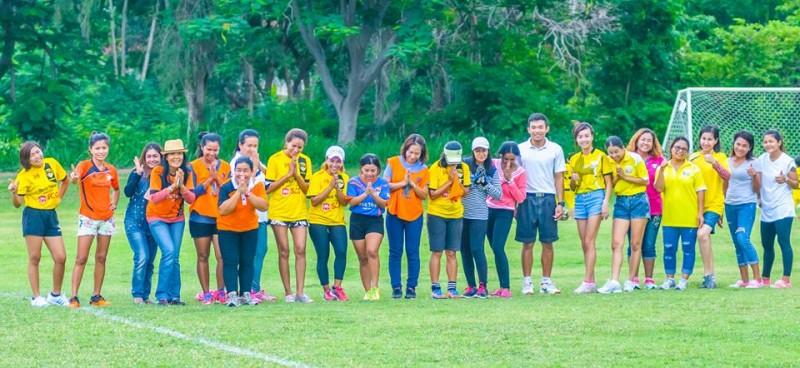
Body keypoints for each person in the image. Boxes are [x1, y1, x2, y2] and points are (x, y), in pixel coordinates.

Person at [9, 141, 70, 307]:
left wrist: (58, 198)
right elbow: (17, 203)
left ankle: (56, 295)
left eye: (37, 152)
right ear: (26, 160)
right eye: (32, 155)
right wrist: (14, 193)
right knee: (35, 257)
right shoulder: (23, 175)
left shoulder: (52, 163)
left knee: (61, 257)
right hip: (33, 216)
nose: (37, 156)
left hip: (51, 216)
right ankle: (36, 297)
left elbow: (65, 180)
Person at [68, 132, 120, 307]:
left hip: (106, 219)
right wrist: (73, 177)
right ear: (90, 149)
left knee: (101, 257)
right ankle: (74, 297)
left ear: (108, 149)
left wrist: (114, 203)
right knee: (81, 258)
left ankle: (96, 296)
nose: (101, 151)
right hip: (88, 218)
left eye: (104, 148)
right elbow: (74, 178)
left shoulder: (111, 169)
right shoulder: (84, 166)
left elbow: (116, 189)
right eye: (97, 148)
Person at [517, 113, 566, 295]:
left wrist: (560, 203)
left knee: (548, 242)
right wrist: (515, 202)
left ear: (547, 128)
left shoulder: (555, 149)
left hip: (548, 198)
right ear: (528, 129)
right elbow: (515, 176)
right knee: (527, 243)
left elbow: (559, 177)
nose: (537, 130)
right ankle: (527, 282)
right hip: (526, 198)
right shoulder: (520, 149)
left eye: (540, 127)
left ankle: (546, 282)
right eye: (534, 127)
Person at [265, 128, 313, 303]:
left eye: (300, 147)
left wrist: (296, 175)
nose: (296, 150)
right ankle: (288, 292)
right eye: (293, 146)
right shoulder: (275, 159)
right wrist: (287, 176)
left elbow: (308, 189)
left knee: (300, 249)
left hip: (299, 212)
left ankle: (301, 292)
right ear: (286, 143)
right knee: (284, 251)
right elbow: (268, 188)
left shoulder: (305, 161)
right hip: (279, 211)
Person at [147, 139, 196, 306]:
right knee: (168, 251)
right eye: (173, 154)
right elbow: (154, 198)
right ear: (166, 157)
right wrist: (171, 187)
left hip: (177, 219)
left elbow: (191, 199)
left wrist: (181, 186)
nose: (177, 157)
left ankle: (175, 296)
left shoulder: (187, 171)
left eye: (179, 153)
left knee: (174, 256)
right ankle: (162, 295)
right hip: (157, 217)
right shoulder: (158, 172)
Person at [654, 137, 706, 291]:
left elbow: (700, 191)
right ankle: (669, 279)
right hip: (670, 217)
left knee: (688, 248)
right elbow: (659, 188)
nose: (680, 151)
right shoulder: (663, 167)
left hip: (689, 217)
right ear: (671, 148)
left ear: (687, 152)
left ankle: (684, 279)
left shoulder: (694, 169)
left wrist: (700, 213)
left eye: (684, 149)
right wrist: (662, 170)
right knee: (669, 248)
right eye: (677, 147)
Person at [599, 136, 649, 293]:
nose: (614, 155)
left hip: (638, 201)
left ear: (623, 148)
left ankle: (630, 280)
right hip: (621, 202)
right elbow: (610, 185)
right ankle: (614, 280)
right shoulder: (607, 161)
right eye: (611, 152)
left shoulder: (635, 159)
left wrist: (625, 176)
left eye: (616, 151)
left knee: (635, 244)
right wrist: (616, 177)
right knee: (616, 243)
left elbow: (645, 180)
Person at [231, 129, 276, 303]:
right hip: (247, 215)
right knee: (251, 252)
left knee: (260, 250)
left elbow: (268, 180)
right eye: (249, 145)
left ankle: (254, 287)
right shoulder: (237, 164)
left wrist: (259, 165)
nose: (252, 149)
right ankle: (249, 289)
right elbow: (243, 186)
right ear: (240, 144)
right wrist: (256, 166)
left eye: (255, 145)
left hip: (261, 214)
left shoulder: (254, 160)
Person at [217, 156, 269, 306]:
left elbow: (263, 206)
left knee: (247, 261)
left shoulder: (257, 186)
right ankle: (232, 294)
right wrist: (239, 192)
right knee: (230, 260)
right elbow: (223, 209)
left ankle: (246, 293)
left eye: (246, 170)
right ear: (234, 171)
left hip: (250, 228)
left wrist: (247, 192)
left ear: (252, 171)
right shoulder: (227, 186)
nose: (242, 174)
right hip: (228, 229)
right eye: (239, 170)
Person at [568, 122, 613, 294]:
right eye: (580, 136)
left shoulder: (601, 157)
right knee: (583, 243)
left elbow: (609, 183)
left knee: (589, 240)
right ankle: (591, 281)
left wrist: (605, 202)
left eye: (587, 136)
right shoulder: (573, 159)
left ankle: (586, 281)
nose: (584, 139)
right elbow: (573, 187)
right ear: (576, 140)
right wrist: (573, 179)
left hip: (596, 197)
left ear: (592, 137)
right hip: (580, 199)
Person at [384, 134, 430, 299]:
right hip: (394, 213)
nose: (412, 156)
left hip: (414, 215)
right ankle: (396, 287)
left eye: (417, 153)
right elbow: (384, 185)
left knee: (412, 252)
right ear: (405, 149)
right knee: (395, 252)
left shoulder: (424, 170)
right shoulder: (394, 162)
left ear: (421, 153)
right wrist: (402, 184)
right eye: (410, 152)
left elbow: (424, 194)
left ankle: (411, 287)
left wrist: (412, 184)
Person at [189, 132, 230, 304]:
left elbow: (229, 191)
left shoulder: (226, 166)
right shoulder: (192, 166)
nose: (212, 153)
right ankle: (206, 292)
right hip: (200, 216)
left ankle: (221, 291)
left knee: (222, 256)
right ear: (201, 148)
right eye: (208, 149)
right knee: (203, 255)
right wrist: (209, 179)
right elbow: (192, 193)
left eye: (215, 150)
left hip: (220, 216)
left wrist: (217, 179)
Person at [754, 129, 797, 288]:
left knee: (783, 242)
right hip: (767, 209)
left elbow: (796, 184)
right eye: (765, 141)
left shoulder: (788, 161)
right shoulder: (761, 159)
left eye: (771, 141)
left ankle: (786, 279)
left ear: (779, 142)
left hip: (783, 208)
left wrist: (785, 179)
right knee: (766, 244)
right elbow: (757, 183)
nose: (768, 144)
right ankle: (765, 278)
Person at [689, 125, 730, 288]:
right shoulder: (693, 157)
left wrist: (714, 163)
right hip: (696, 205)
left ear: (716, 141)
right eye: (704, 138)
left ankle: (708, 276)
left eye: (710, 139)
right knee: (704, 238)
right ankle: (710, 277)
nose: (706, 142)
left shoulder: (720, 157)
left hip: (714, 204)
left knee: (702, 235)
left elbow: (727, 176)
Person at [428, 141, 471, 299]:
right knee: (437, 251)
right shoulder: (435, 168)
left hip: (456, 214)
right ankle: (435, 288)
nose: (454, 163)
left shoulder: (464, 168)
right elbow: (432, 194)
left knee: (452, 252)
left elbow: (465, 192)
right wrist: (449, 182)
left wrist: (456, 181)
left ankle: (452, 288)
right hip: (437, 214)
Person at [307, 146, 350, 301]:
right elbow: (314, 201)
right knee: (323, 254)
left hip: (337, 221)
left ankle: (337, 287)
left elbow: (343, 202)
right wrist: (329, 187)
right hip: (318, 221)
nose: (335, 164)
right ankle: (326, 290)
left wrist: (337, 188)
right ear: (326, 160)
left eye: (338, 161)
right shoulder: (317, 177)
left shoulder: (344, 178)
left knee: (341, 251)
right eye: (332, 160)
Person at [461, 137, 502, 298]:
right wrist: (469, 182)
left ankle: (482, 286)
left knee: (477, 249)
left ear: (488, 151)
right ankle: (470, 285)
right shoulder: (464, 165)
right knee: (464, 250)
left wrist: (485, 183)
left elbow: (498, 194)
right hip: (461, 213)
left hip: (479, 214)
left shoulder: (491, 169)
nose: (481, 153)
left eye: (483, 150)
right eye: (478, 150)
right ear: (473, 151)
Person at [625, 128, 665, 289]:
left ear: (653, 143)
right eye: (643, 139)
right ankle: (633, 278)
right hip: (632, 207)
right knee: (634, 243)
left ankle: (649, 279)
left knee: (649, 244)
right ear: (637, 140)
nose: (646, 143)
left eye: (649, 140)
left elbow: (661, 186)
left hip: (654, 207)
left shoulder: (659, 161)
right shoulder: (628, 158)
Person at [486, 141, 526, 298]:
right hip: (489, 209)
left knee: (498, 247)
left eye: (512, 159)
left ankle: (506, 287)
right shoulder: (493, 164)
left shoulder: (521, 173)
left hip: (506, 211)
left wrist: (510, 181)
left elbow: (520, 198)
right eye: (505, 159)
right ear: (500, 156)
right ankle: (501, 287)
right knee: (494, 249)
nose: (508, 163)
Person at [348, 154, 391, 300]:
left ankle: (375, 287)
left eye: (373, 170)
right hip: (357, 220)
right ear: (361, 169)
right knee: (362, 258)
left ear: (378, 170)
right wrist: (365, 193)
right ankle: (368, 291)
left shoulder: (383, 184)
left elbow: (384, 204)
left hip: (375, 220)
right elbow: (352, 202)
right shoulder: (353, 182)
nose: (369, 174)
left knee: (372, 251)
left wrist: (374, 194)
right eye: (366, 170)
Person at [124, 142, 162, 304]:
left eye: (155, 156)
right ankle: (137, 294)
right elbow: (127, 192)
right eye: (149, 156)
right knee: (142, 256)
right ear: (144, 158)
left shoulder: (163, 175)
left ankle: (146, 295)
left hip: (154, 223)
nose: (152, 159)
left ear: (161, 157)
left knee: (150, 261)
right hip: (134, 222)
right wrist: (137, 175)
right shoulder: (138, 172)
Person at [724, 131, 762, 288]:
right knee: (736, 243)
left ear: (750, 147)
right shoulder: (727, 161)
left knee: (742, 238)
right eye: (738, 144)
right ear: (734, 143)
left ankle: (757, 279)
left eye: (744, 145)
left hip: (747, 205)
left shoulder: (754, 162)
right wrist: (722, 203)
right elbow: (724, 185)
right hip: (729, 205)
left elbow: (757, 188)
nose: (740, 148)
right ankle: (744, 280)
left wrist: (754, 176)